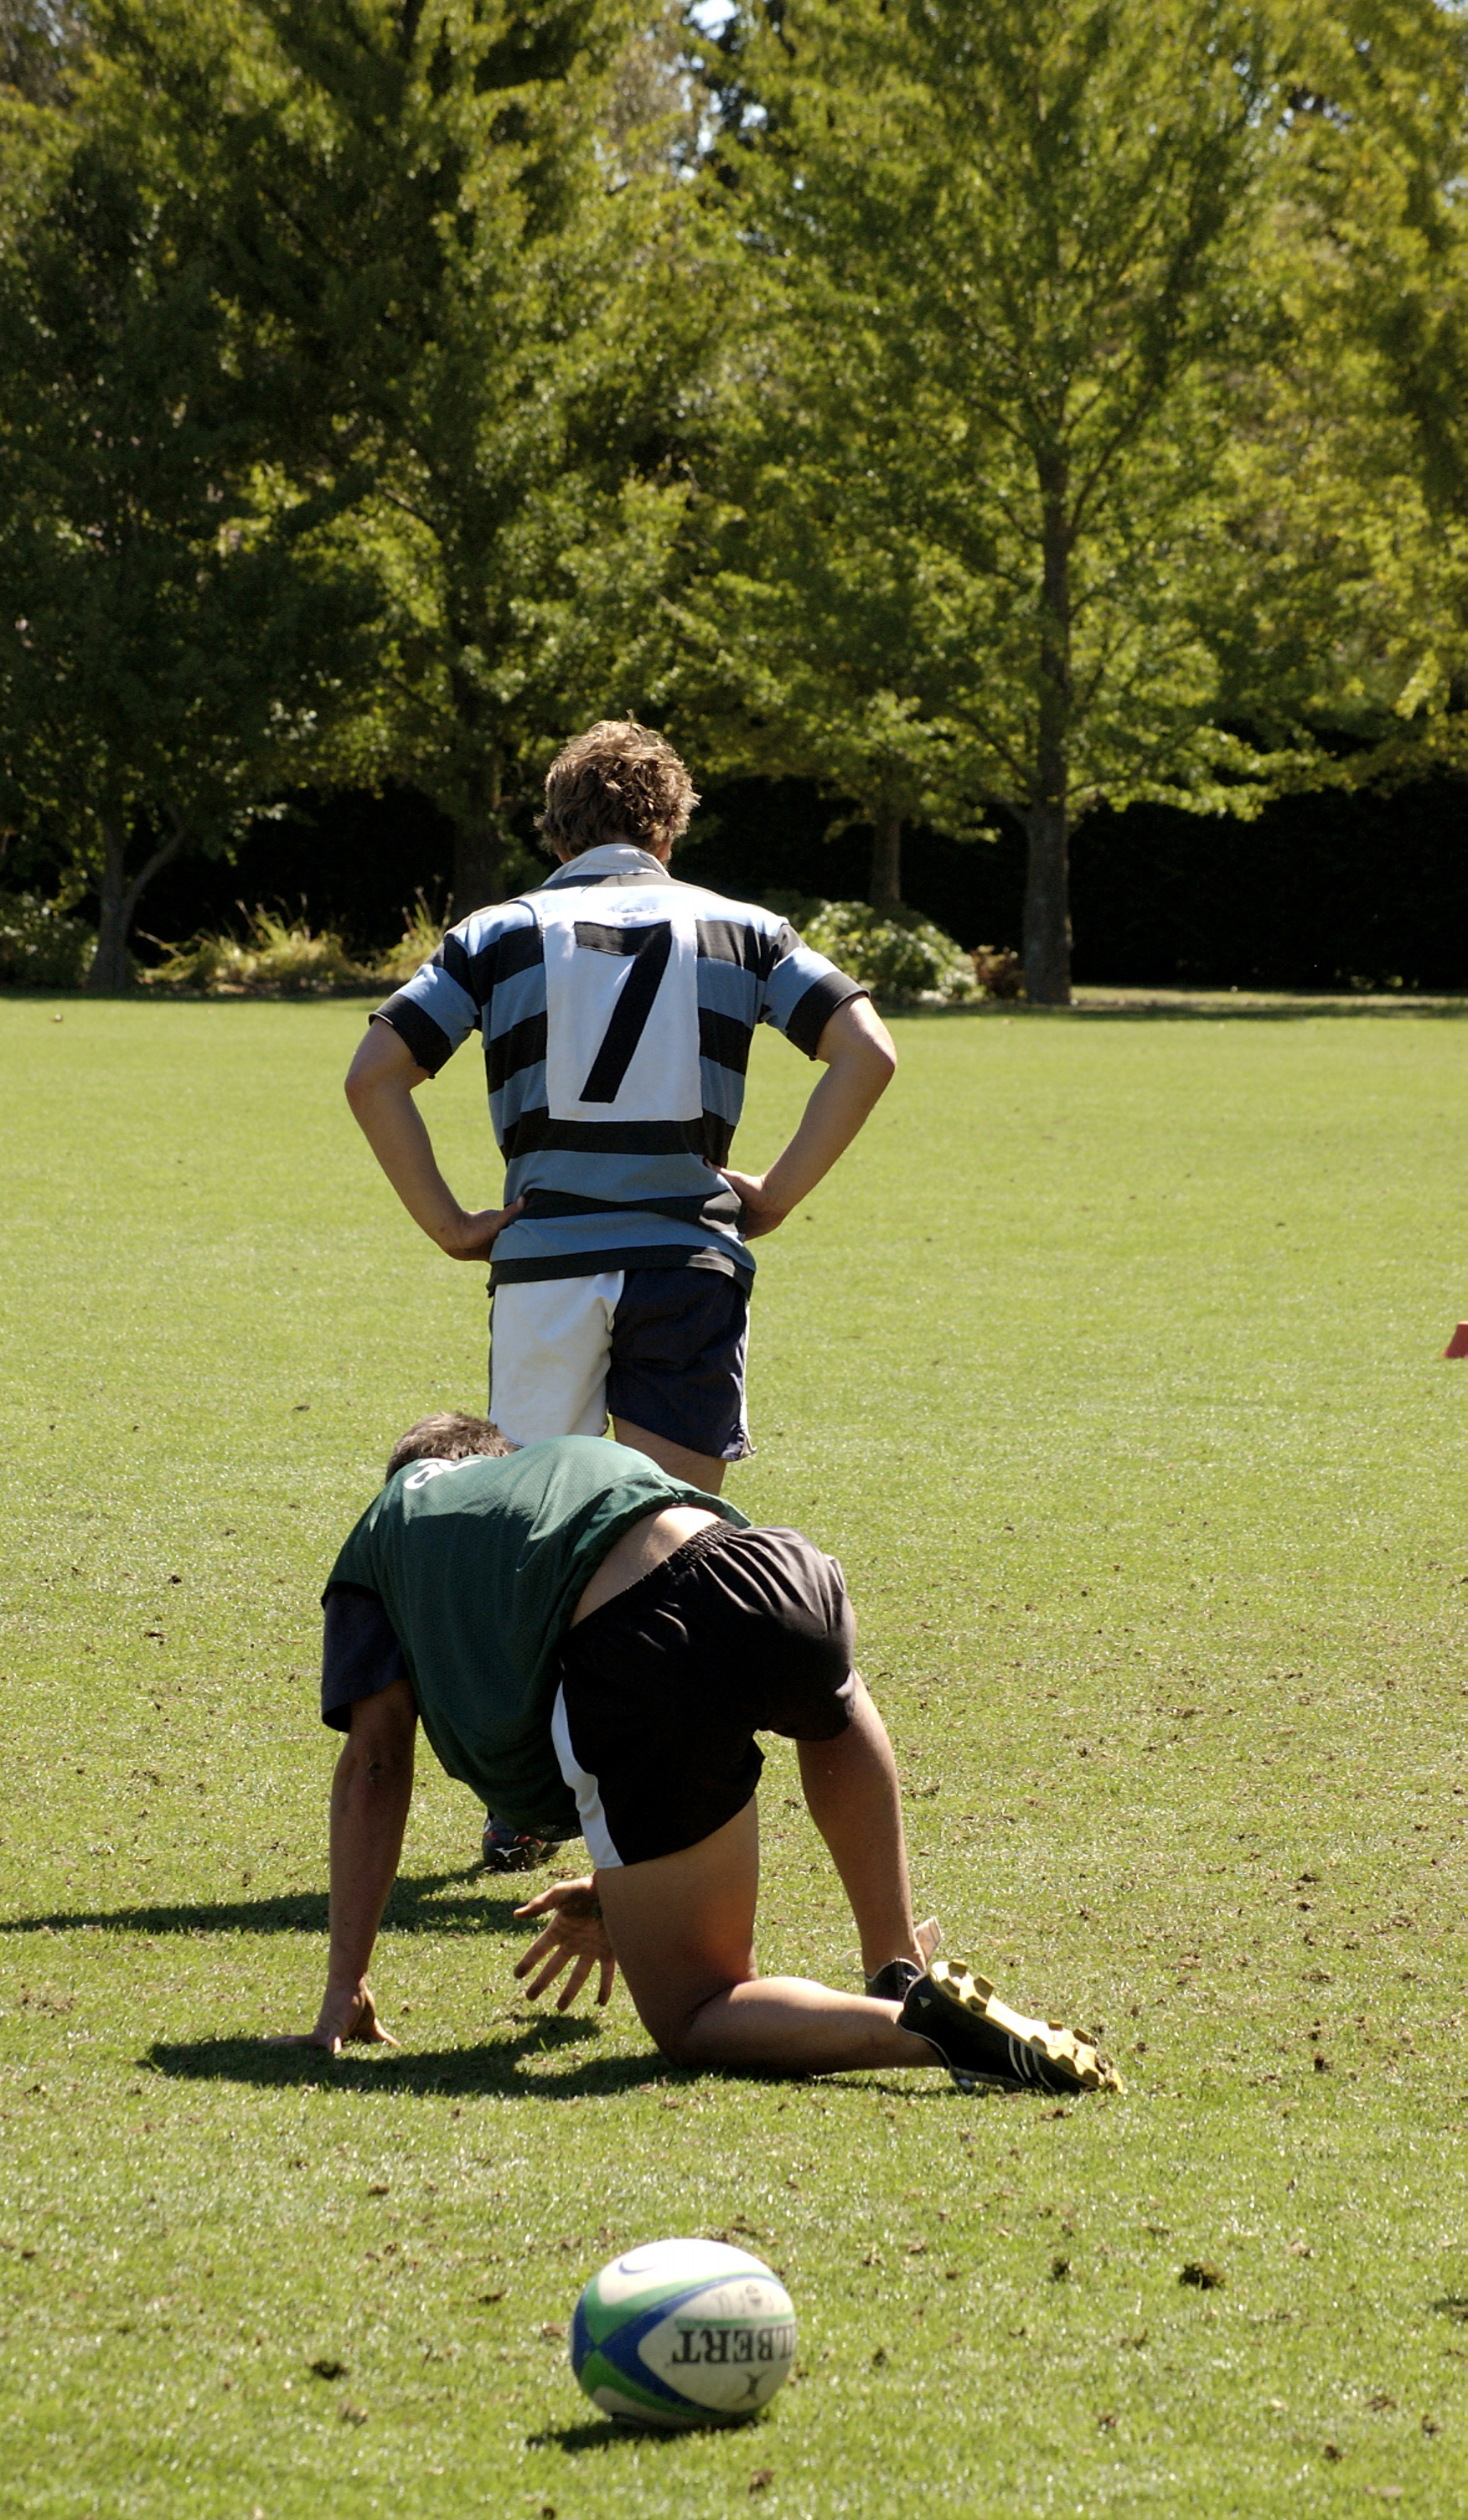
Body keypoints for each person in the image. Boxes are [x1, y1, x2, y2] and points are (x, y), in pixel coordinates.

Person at [345, 721, 897, 1868]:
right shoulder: (745, 931)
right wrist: (780, 1194)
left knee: (532, 1544)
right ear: (669, 825)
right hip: (687, 1269)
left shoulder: (497, 934)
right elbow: (868, 1051)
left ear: (553, 827)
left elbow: (375, 1073)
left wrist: (450, 1223)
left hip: (546, 1269)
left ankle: (523, 1802)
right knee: (667, 1549)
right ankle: (647, 1805)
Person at [283, 1412, 1123, 2098]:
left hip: (640, 1647)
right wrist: (627, 1887)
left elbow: (377, 1761)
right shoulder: (558, 1464)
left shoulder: (391, 1520)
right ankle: (896, 1963)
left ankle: (925, 2030)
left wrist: (343, 1982)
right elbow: (704, 1610)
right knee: (828, 1697)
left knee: (695, 2010)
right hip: (773, 1573)